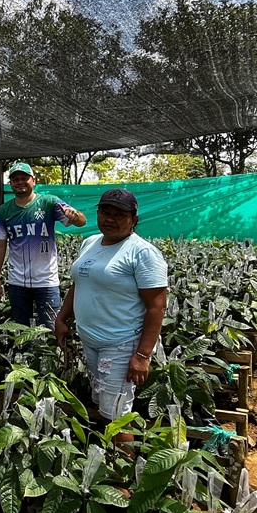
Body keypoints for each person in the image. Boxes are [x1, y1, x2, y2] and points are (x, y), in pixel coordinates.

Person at [54, 189, 167, 443]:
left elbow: (157, 307)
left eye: (120, 214)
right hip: (91, 341)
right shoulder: (90, 242)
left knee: (116, 416)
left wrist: (142, 355)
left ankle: (122, 479)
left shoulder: (142, 253)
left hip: (121, 344)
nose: (111, 219)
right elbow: (79, 284)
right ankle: (107, 461)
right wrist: (62, 318)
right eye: (106, 212)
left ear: (134, 220)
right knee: (104, 407)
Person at [0, 162, 87, 328]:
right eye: (15, 179)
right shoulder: (4, 211)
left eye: (24, 178)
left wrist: (75, 216)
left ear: (33, 181)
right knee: (21, 330)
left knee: (52, 329)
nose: (20, 182)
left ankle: (55, 354)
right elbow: (0, 245)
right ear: (10, 184)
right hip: (17, 281)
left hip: (46, 280)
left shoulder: (49, 202)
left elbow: (81, 222)